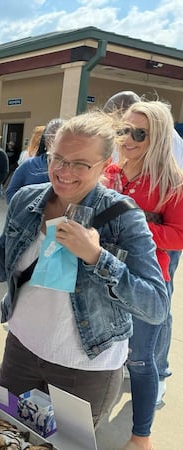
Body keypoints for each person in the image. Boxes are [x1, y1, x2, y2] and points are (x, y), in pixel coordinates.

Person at [0, 110, 168, 431]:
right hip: (21, 351)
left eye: (80, 164)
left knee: (66, 443)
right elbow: (2, 271)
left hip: (85, 369)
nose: (63, 171)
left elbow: (155, 306)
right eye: (57, 158)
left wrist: (96, 256)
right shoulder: (25, 200)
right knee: (3, 433)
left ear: (104, 165)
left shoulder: (122, 216)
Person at [103, 100, 183, 450]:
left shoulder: (173, 183)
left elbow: (179, 235)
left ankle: (141, 437)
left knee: (139, 359)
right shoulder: (109, 171)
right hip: (101, 273)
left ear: (160, 137)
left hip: (145, 281)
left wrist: (136, 227)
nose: (129, 139)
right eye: (124, 130)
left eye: (140, 134)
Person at [5, 118, 64, 203]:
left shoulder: (75, 166)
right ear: (45, 140)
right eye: (51, 137)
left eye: (60, 137)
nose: (54, 142)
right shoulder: (30, 165)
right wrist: (25, 210)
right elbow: (11, 192)